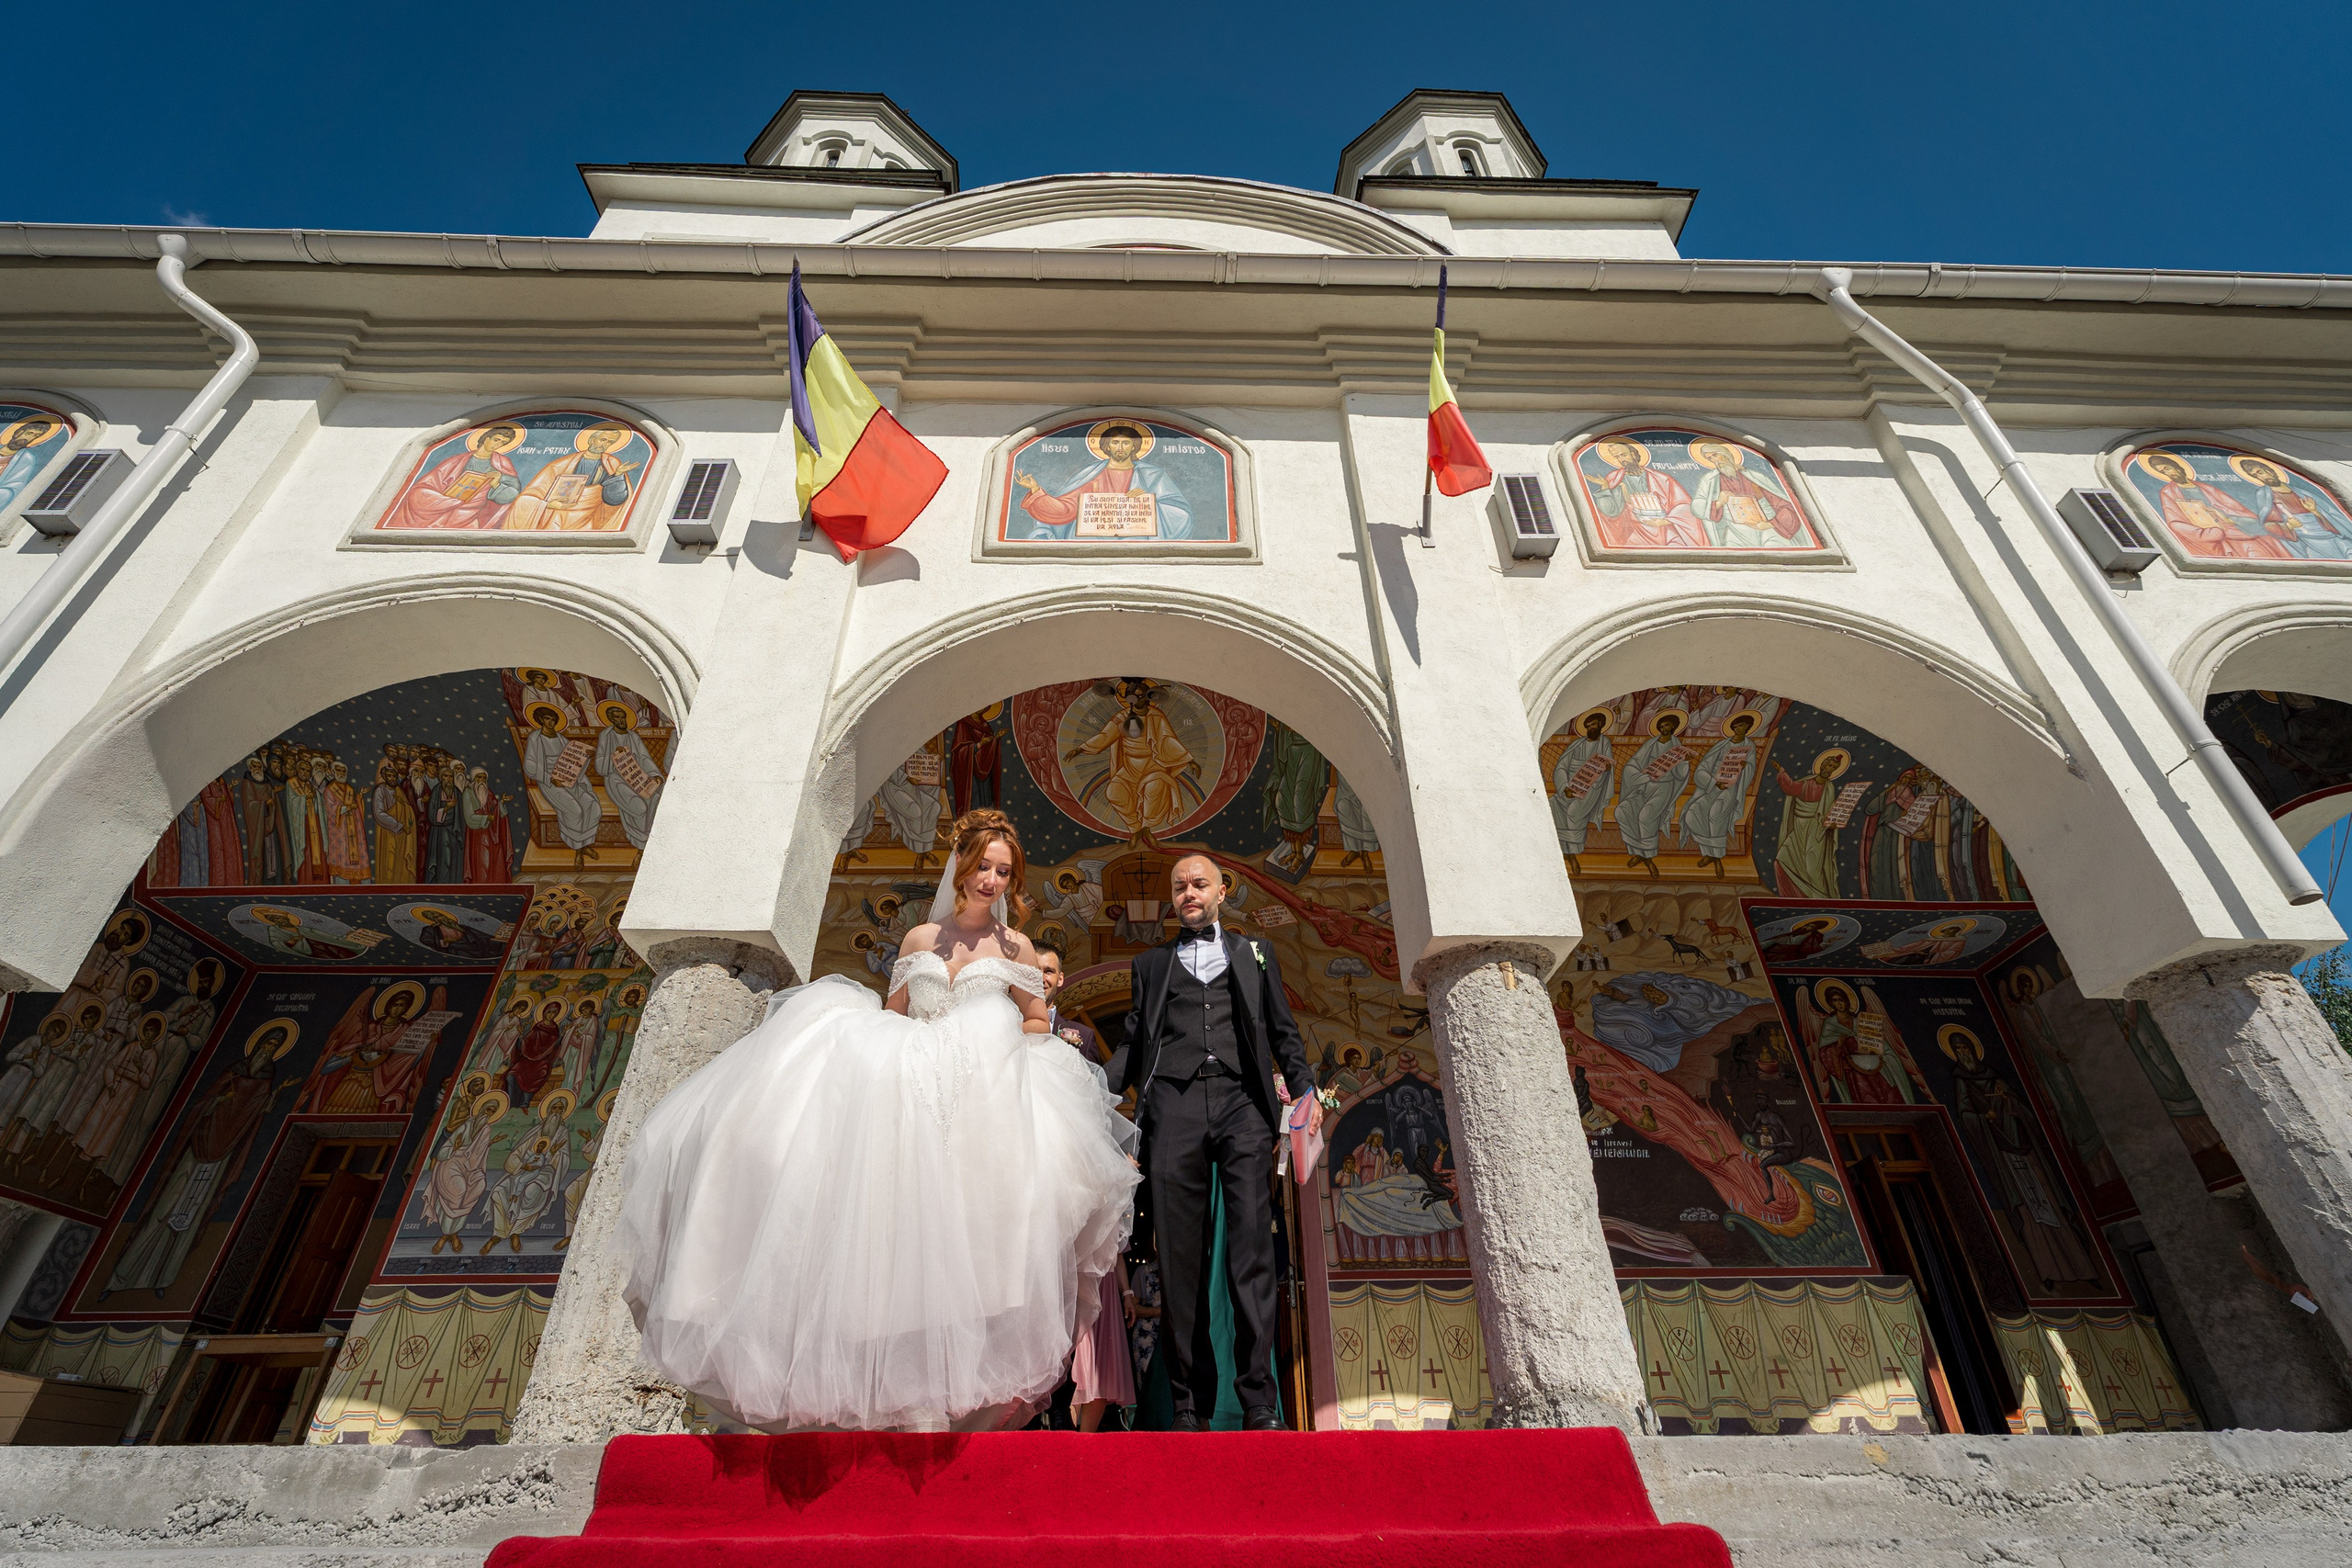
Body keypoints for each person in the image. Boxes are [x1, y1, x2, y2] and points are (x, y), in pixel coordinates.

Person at [620, 809, 1139, 1432]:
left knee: (969, 1241)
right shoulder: (922, 939)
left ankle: (949, 1392)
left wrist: (1003, 1046)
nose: (992, 880)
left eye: (1004, 871)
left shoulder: (1016, 948)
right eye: (983, 866)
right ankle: (886, 1387)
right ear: (961, 866)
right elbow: (894, 1013)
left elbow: (1034, 1016)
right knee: (892, 1239)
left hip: (978, 1101)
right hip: (910, 1093)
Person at [1105, 852, 1321, 1431]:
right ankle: (1187, 1405)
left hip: (1242, 1106)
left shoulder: (1256, 954)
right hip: (1173, 1108)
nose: (1188, 892)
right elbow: (1133, 1043)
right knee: (1178, 1258)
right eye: (1179, 887)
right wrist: (1088, 1086)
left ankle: (1258, 1402)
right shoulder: (1151, 964)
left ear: (1222, 891)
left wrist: (1305, 1092)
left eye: (1199, 883)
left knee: (1250, 1249)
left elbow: (1282, 1030)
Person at [1035, 936, 1136, 1431]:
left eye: (1052, 970)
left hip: (1069, 1182)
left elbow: (1100, 1109)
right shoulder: (994, 1028)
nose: (1045, 977)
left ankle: (1059, 1401)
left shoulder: (1078, 1036)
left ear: (1060, 978)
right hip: (1019, 1178)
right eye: (1036, 968)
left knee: (1068, 1290)